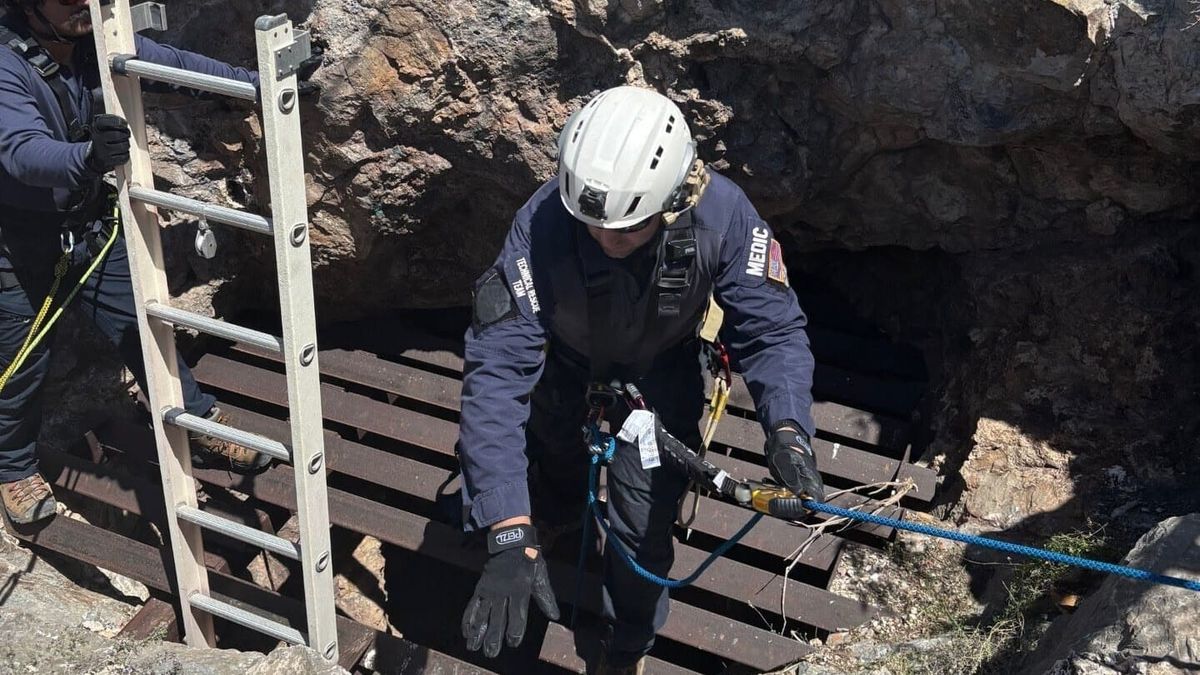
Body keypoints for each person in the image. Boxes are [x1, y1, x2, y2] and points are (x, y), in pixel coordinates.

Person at [456, 85, 826, 674]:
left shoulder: (724, 218)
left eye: (627, 230)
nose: (606, 240)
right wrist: (506, 524)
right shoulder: (544, 224)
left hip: (663, 373)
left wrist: (787, 428)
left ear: (675, 199)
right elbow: (497, 370)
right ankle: (549, 518)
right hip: (566, 367)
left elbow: (772, 331)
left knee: (640, 528)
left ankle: (626, 645)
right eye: (593, 225)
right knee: (552, 459)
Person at [0, 0, 319, 525]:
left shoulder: (92, 39)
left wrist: (258, 84)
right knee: (21, 364)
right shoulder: (6, 63)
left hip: (89, 229)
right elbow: (20, 150)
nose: (83, 2)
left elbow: (171, 67)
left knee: (148, 328)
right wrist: (86, 158)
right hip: (21, 244)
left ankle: (197, 422)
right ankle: (13, 468)